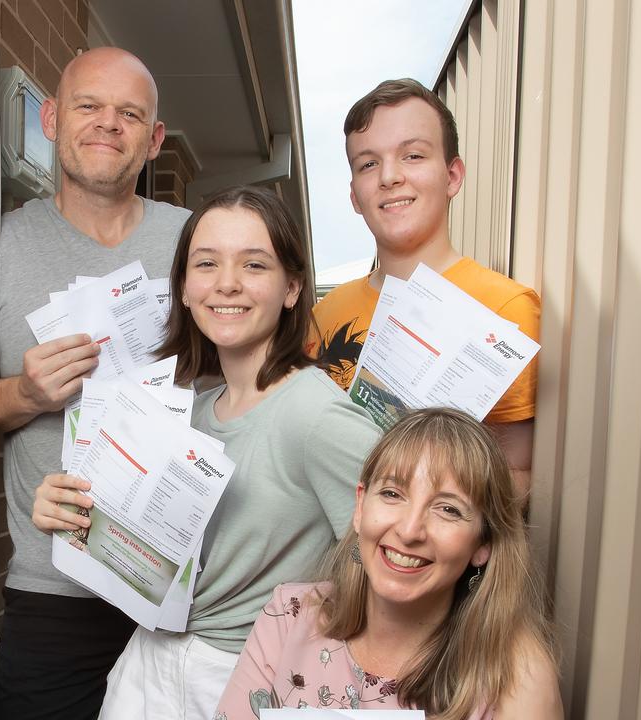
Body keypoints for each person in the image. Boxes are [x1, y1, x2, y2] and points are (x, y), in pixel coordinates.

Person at [31, 185, 381, 719]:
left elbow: (402, 559)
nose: (227, 284)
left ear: (292, 288)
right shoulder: (191, 410)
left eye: (254, 265)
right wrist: (68, 514)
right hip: (148, 663)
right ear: (185, 289)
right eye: (207, 263)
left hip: (245, 675)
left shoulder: (316, 416)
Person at [0, 47, 190, 720]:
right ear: (50, 118)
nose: (108, 124)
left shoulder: (199, 243)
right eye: (88, 106)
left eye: (130, 114)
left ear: (154, 138)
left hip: (187, 586)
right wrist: (24, 395)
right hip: (55, 590)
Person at [213, 407, 563, 719]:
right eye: (393, 494)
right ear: (361, 507)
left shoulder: (515, 675)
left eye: (448, 509)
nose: (410, 531)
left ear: (483, 544)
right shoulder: (289, 616)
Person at [309, 79, 540, 499]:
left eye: (412, 155)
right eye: (368, 164)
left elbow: (517, 476)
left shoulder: (505, 308)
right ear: (354, 196)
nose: (390, 177)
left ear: (452, 176)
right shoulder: (326, 312)